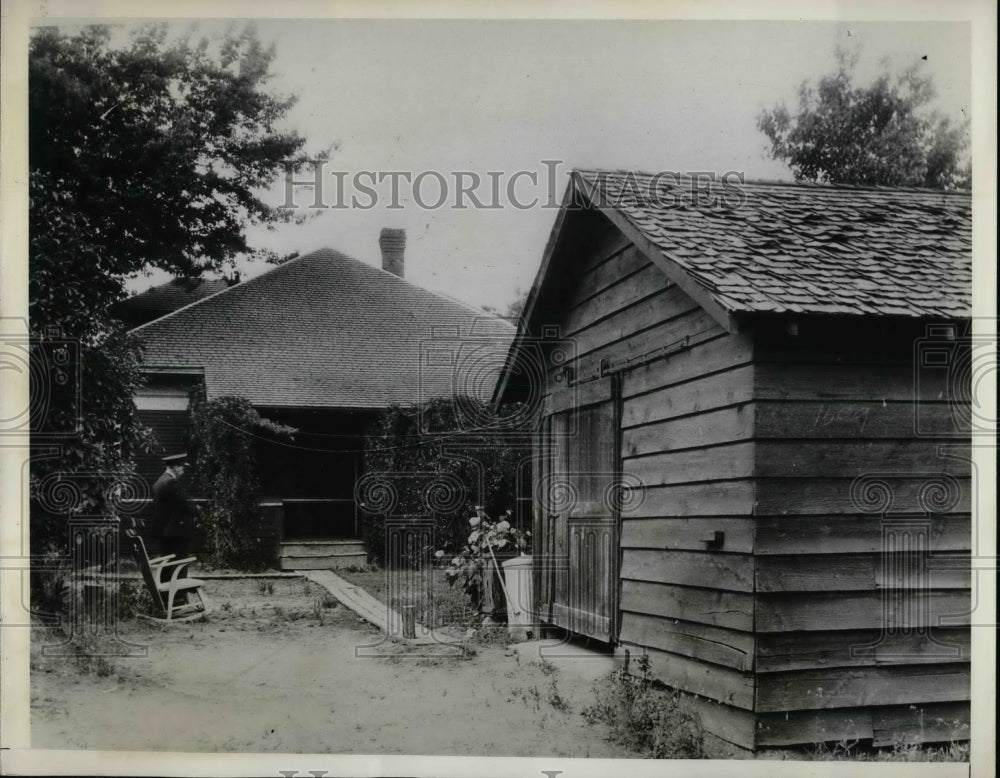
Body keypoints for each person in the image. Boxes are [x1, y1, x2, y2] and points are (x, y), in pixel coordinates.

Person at [151, 452, 197, 559]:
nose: (183, 470)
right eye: (182, 467)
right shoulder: (171, 483)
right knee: (179, 563)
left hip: (164, 531)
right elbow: (186, 503)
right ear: (175, 467)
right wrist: (196, 510)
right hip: (177, 532)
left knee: (167, 564)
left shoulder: (159, 482)